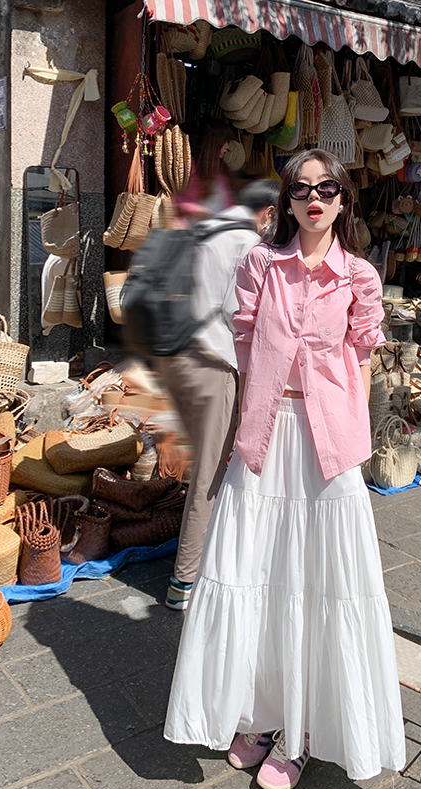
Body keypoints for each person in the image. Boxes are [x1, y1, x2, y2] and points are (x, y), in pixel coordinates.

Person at [163, 150, 406, 789]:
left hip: (327, 442)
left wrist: (346, 422)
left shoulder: (358, 276)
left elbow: (362, 359)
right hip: (268, 432)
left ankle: (299, 733)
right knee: (257, 573)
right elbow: (245, 342)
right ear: (288, 201)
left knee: (316, 580)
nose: (314, 199)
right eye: (301, 190)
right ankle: (259, 712)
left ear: (343, 199)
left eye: (326, 188)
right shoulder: (259, 265)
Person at [156, 180, 280, 611]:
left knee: (197, 465)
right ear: (267, 213)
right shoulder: (248, 245)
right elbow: (236, 311)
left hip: (178, 356)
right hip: (213, 361)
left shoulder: (205, 230)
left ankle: (204, 554)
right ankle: (184, 582)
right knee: (210, 473)